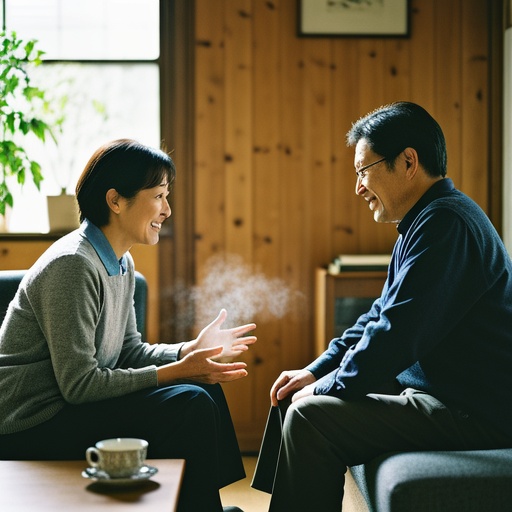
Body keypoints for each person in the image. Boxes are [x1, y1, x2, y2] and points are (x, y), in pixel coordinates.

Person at [252, 102, 512, 511]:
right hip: (441, 390)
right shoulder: (425, 220)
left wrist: (326, 388)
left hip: (471, 409)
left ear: (408, 162)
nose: (358, 187)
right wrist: (315, 371)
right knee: (291, 391)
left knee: (309, 417)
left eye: (363, 170)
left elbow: (395, 335)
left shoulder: (446, 225)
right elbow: (378, 316)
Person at [0, 139, 257, 512]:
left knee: (202, 387)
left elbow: (126, 352)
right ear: (115, 200)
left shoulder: (120, 262)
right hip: (29, 422)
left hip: (65, 407)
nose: (167, 210)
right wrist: (175, 371)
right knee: (189, 402)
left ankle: (201, 506)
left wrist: (187, 353)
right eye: (158, 196)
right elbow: (79, 385)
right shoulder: (73, 265)